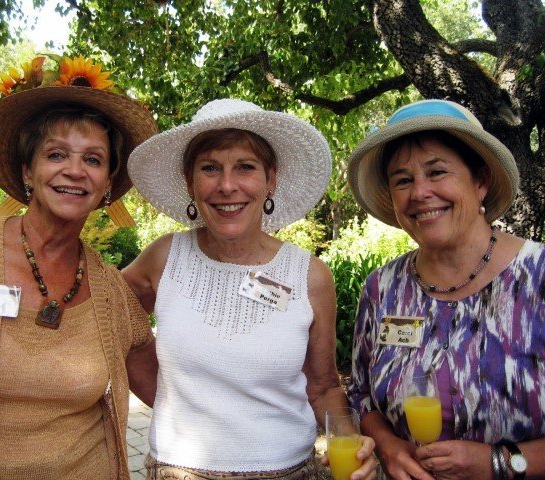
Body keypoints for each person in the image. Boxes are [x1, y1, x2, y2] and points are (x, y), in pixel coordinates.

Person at [0, 54, 159, 480]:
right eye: (56, 154)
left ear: (107, 185)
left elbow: (167, 391)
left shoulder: (111, 291)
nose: (75, 171)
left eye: (93, 160)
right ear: (28, 171)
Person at [123, 98, 377, 480]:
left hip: (289, 472)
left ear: (270, 179)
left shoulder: (310, 276)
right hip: (178, 471)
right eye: (210, 168)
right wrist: (167, 398)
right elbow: (109, 315)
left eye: (245, 167)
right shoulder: (164, 258)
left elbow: (323, 387)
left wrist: (350, 440)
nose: (227, 186)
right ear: (190, 181)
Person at [346, 99, 545, 480]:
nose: (420, 192)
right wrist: (388, 446)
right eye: (403, 180)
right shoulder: (381, 288)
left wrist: (498, 463)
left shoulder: (537, 277)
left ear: (481, 181)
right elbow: (361, 397)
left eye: (437, 172)